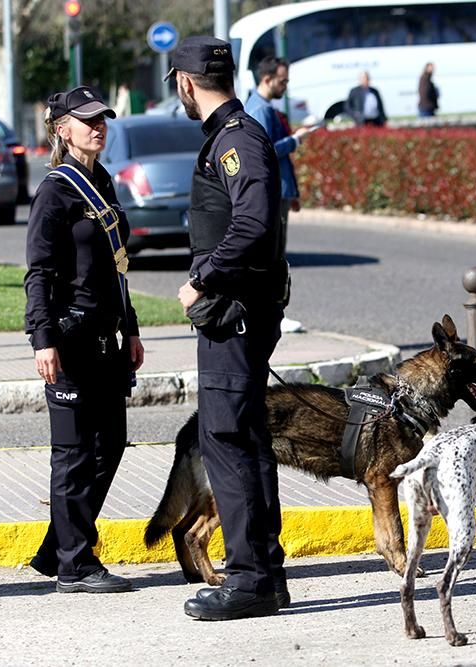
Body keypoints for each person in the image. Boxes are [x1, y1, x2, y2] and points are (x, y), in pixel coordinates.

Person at [169, 35, 290, 621]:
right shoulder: (233, 135)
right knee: (247, 439)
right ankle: (266, 573)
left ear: (185, 83)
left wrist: (204, 279)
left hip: (234, 313)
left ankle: (249, 580)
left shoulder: (236, 140)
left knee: (227, 441)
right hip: (243, 310)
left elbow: (253, 224)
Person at [24, 85, 145, 593]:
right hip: (69, 339)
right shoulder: (55, 190)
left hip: (106, 339)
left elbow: (116, 269)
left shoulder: (104, 183)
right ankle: (75, 564)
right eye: (87, 120)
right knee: (73, 454)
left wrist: (132, 326)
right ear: (61, 129)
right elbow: (38, 271)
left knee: (110, 443)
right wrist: (42, 339)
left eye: (103, 119)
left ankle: (60, 547)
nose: (99, 127)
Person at [244, 55, 315, 254]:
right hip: (273, 192)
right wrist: (295, 140)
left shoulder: (260, 106)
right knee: (274, 253)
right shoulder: (261, 109)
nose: (285, 86)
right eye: (283, 81)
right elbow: (266, 152)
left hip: (277, 191)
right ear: (267, 79)